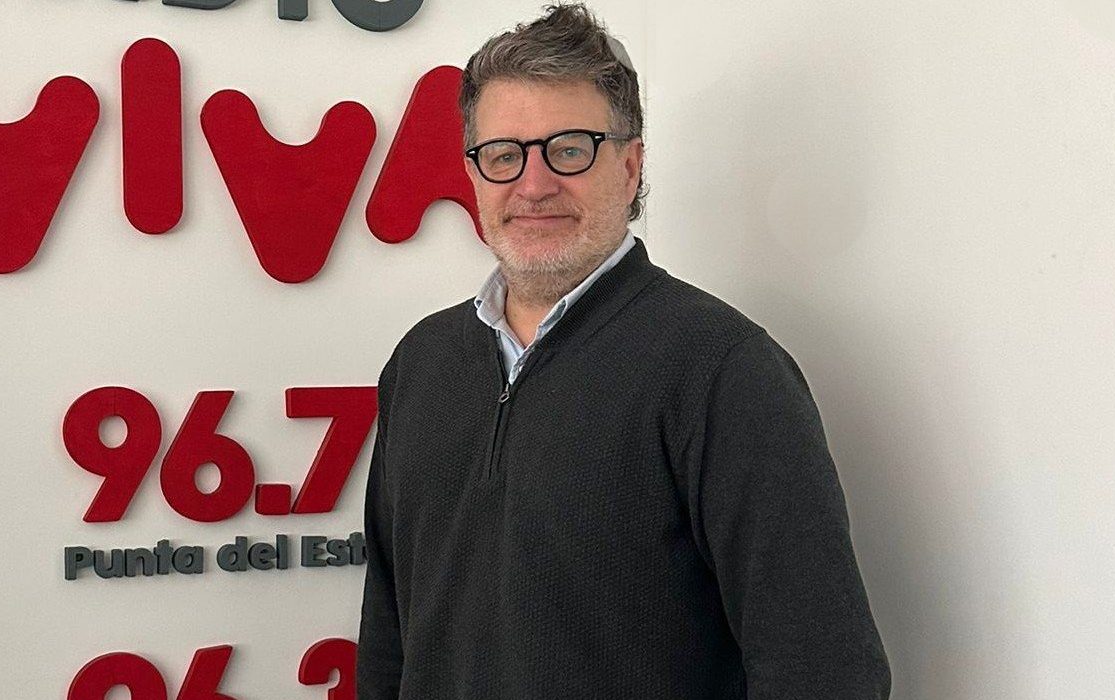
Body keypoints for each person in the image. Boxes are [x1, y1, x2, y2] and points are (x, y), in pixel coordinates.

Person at [356, 4, 891, 698]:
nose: (533, 184)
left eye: (569, 149)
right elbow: (389, 638)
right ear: (474, 173)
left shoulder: (722, 370)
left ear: (630, 165)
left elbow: (824, 668)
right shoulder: (421, 364)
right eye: (504, 155)